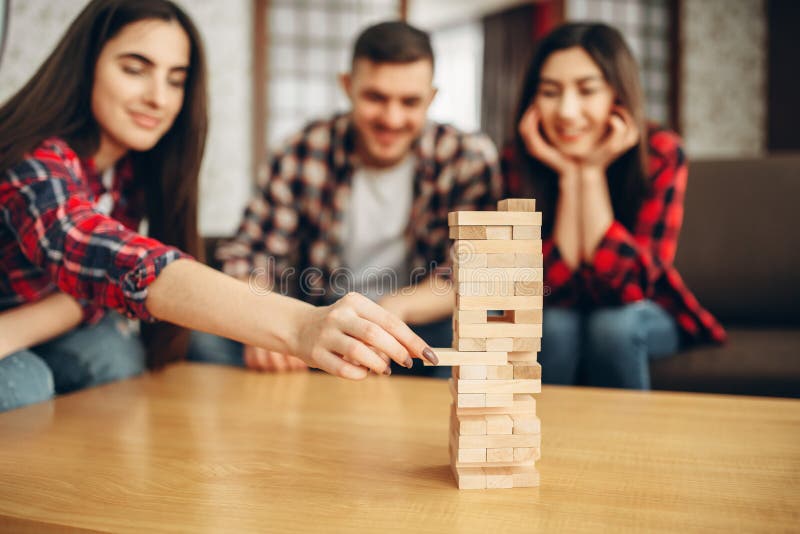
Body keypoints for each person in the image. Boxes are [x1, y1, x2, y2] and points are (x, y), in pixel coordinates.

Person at [0, 0, 436, 413]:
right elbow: (106, 257)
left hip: (44, 318)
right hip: (310, 307)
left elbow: (92, 283)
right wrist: (295, 326)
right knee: (38, 378)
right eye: (135, 69)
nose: (159, 97)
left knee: (121, 350)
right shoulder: (35, 163)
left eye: (176, 79)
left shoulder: (130, 169)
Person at [189, 21, 502, 376]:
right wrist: (265, 326)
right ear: (347, 87)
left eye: (410, 102)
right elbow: (251, 255)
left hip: (414, 324)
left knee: (474, 333)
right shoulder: (302, 150)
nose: (392, 118)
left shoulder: (468, 158)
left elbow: (472, 272)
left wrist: (391, 310)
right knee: (205, 338)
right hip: (317, 323)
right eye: (376, 98)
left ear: (431, 98)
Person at [503, 22, 726, 390]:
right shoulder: (519, 157)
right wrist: (569, 174)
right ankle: (537, 441)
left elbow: (628, 289)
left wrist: (590, 172)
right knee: (552, 325)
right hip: (562, 311)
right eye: (550, 92)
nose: (567, 112)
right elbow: (543, 288)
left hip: (647, 312)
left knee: (612, 325)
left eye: (587, 90)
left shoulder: (660, 152)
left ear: (617, 95)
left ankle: (628, 448)